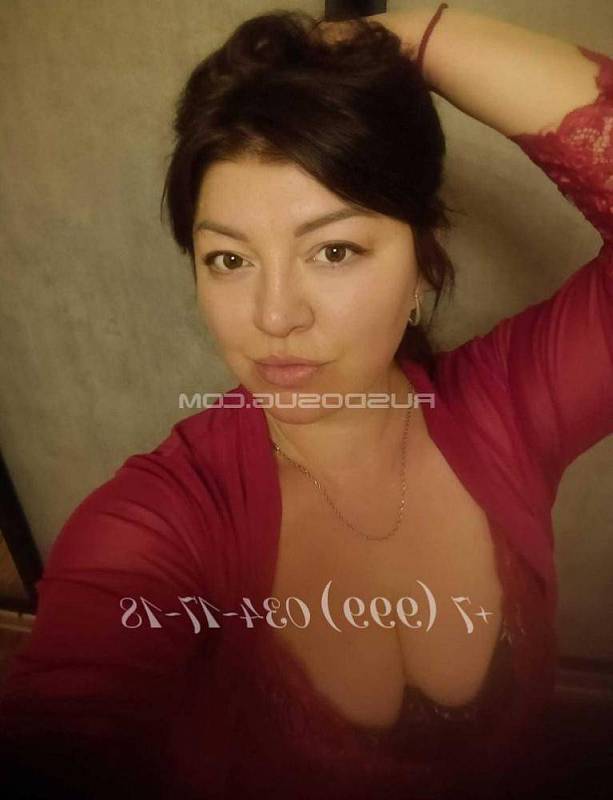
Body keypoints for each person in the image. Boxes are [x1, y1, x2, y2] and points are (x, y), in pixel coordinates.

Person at [0, 4, 611, 799]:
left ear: (421, 264)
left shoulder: (510, 406)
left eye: (333, 249)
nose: (274, 317)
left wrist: (406, 39)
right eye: (228, 259)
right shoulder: (167, 519)